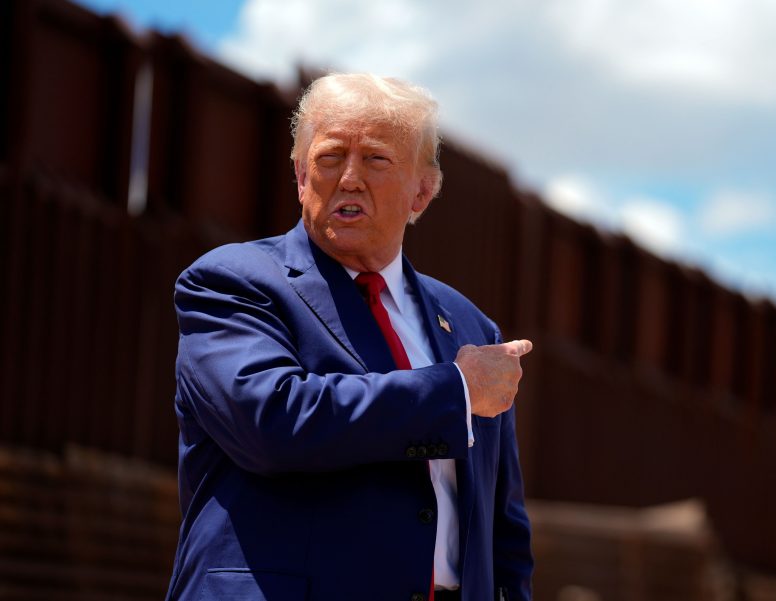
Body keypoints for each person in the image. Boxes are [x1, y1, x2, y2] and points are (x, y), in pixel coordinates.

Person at [165, 73, 534, 601]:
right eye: (331, 157)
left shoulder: (471, 325)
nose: (350, 179)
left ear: (422, 193)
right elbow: (272, 422)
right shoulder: (231, 282)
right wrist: (454, 391)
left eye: (377, 160)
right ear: (299, 175)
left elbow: (503, 523)